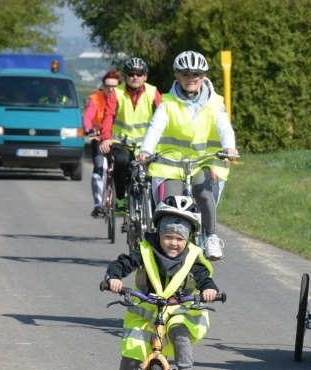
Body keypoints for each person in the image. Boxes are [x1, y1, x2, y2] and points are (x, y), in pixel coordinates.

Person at [103, 195, 219, 370]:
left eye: (179, 238)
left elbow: (204, 278)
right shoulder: (145, 250)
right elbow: (123, 263)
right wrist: (114, 277)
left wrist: (209, 289)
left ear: (188, 238)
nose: (173, 243)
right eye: (168, 237)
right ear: (158, 235)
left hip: (180, 310)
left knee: (180, 331)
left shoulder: (193, 256)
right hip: (145, 310)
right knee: (132, 353)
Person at [138, 50, 238, 261]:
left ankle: (211, 236)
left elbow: (224, 128)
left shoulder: (215, 102)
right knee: (169, 206)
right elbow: (155, 128)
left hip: (204, 161)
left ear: (203, 76)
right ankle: (164, 248)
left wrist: (230, 147)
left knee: (203, 192)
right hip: (170, 164)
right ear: (178, 76)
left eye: (196, 75)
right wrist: (146, 150)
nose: (191, 79)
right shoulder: (168, 102)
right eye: (185, 74)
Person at [99, 57, 162, 214]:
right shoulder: (116, 93)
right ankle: (120, 199)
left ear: (145, 76)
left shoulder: (153, 92)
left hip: (146, 145)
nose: (135, 77)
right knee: (121, 162)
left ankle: (154, 206)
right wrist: (105, 138)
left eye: (139, 74)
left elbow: (164, 117)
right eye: (131, 74)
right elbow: (108, 116)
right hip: (122, 142)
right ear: (125, 76)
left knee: (154, 171)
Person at [83, 70, 122, 218]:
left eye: (114, 87)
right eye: (107, 86)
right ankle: (98, 205)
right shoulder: (96, 98)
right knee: (100, 168)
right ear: (102, 86)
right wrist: (89, 129)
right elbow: (88, 117)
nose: (110, 89)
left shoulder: (123, 98)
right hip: (99, 139)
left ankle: (122, 201)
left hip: (118, 140)